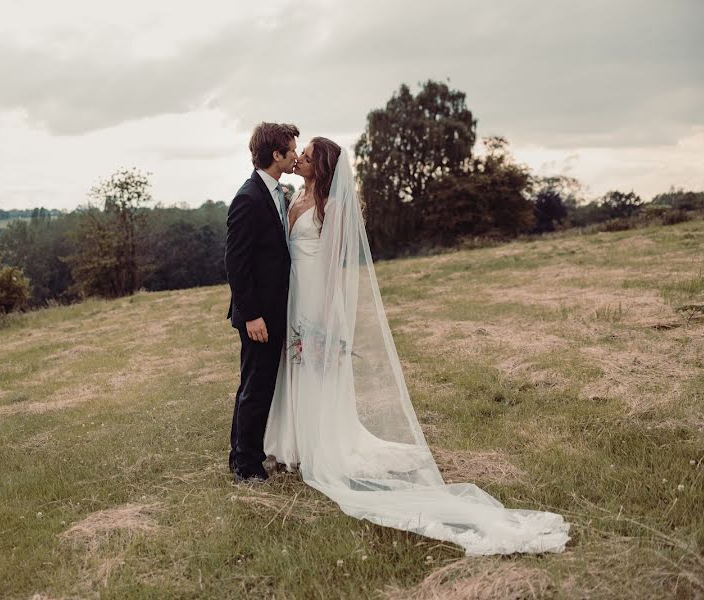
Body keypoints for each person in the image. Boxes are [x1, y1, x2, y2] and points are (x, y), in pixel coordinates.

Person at [263, 137, 571, 555]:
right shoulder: (295, 195)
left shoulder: (332, 207)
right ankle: (294, 442)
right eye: (299, 154)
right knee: (294, 368)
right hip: (293, 293)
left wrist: (325, 319)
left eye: (308, 155)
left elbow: (335, 268)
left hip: (316, 297)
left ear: (323, 166)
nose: (300, 158)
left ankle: (323, 443)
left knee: (316, 366)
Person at [224, 122, 298, 483]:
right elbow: (236, 263)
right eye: (292, 149)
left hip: (273, 311)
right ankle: (245, 465)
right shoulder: (249, 197)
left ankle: (244, 454)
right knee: (255, 386)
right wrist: (252, 315)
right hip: (258, 316)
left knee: (258, 383)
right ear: (276, 154)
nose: (296, 155)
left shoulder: (276, 191)